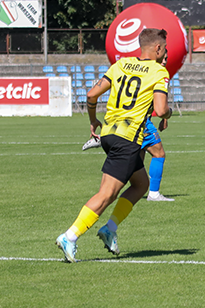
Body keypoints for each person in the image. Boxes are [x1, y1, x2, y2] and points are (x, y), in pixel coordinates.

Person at [55, 28, 173, 263]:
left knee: (141, 184)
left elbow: (91, 95)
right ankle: (70, 235)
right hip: (128, 139)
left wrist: (93, 121)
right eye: (165, 48)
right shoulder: (159, 72)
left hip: (109, 134)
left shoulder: (120, 64)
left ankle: (110, 228)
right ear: (158, 49)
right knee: (107, 194)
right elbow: (160, 109)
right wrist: (168, 113)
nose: (165, 52)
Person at [82, 51, 175, 202]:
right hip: (138, 124)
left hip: (120, 123)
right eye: (163, 58)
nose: (164, 61)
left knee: (139, 159)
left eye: (166, 58)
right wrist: (166, 115)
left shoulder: (143, 71)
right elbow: (156, 105)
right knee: (159, 154)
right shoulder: (156, 73)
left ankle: (135, 192)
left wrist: (163, 119)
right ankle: (154, 193)